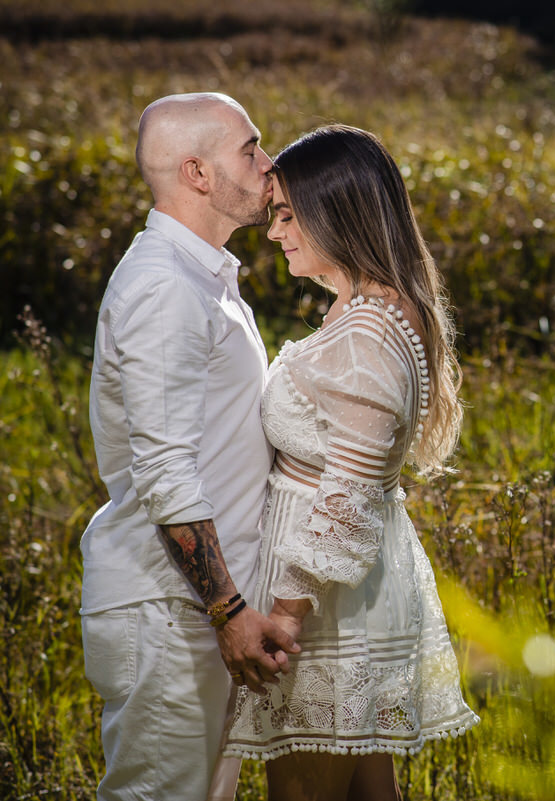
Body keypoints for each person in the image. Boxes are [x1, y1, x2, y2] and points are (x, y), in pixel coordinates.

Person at [222, 124, 478, 800]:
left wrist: (286, 615)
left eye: (286, 214)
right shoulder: (367, 307)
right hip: (338, 592)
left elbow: (348, 498)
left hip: (323, 604)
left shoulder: (369, 334)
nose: (274, 232)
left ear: (335, 211)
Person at [81, 92, 301, 801]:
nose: (269, 165)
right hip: (171, 612)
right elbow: (165, 470)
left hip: (202, 609)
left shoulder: (204, 278)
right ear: (197, 173)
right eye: (251, 149)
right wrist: (228, 612)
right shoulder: (164, 288)